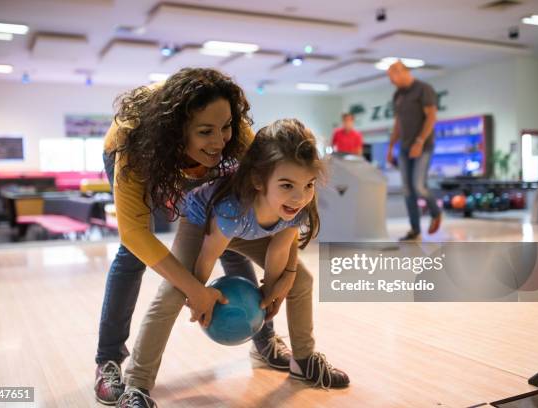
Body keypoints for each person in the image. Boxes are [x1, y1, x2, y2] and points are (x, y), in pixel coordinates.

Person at [117, 119, 350, 407]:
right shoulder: (233, 207)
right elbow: (208, 255)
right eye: (287, 185)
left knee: (301, 280)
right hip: (203, 223)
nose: (299, 196)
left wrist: (271, 292)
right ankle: (136, 384)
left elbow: (280, 249)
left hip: (242, 229)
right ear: (257, 180)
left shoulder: (298, 204)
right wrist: (197, 295)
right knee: (173, 292)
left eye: (308, 185)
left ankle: (303, 361)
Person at [95, 68, 290, 405]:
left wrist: (285, 274)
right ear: (176, 132)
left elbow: (277, 203)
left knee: (229, 225)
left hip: (185, 152)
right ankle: (107, 360)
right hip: (138, 149)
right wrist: (194, 290)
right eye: (205, 131)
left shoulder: (234, 135)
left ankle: (264, 340)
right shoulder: (133, 145)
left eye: (225, 127)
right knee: (132, 256)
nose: (219, 141)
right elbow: (134, 234)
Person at [386, 61, 442, 241]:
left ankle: (436, 212)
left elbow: (432, 117)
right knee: (408, 191)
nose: (391, 81)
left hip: (423, 146)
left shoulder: (423, 89)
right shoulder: (398, 95)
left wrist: (419, 141)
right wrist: (390, 147)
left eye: (392, 77)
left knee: (419, 186)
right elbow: (398, 123)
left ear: (402, 72)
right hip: (404, 147)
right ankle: (415, 230)